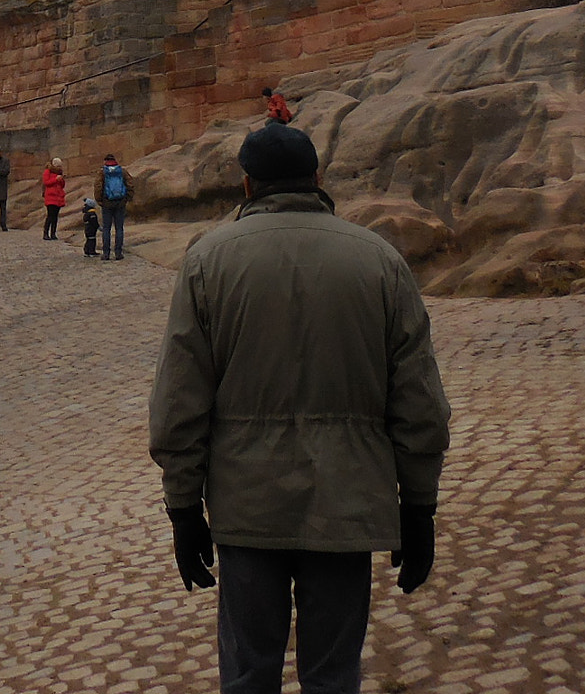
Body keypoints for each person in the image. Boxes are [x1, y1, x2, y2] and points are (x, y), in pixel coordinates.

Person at [150, 123, 451, 694]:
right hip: (347, 500)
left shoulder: (207, 262)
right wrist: (418, 507)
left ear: (246, 186)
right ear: (317, 179)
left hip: (247, 507)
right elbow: (420, 406)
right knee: (334, 675)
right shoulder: (379, 261)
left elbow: (178, 402)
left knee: (248, 675)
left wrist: (183, 509)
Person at [99, 155, 130, 261]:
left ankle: (106, 253)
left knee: (106, 229)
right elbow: (130, 184)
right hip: (120, 203)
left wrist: (100, 201)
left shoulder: (102, 172)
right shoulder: (122, 171)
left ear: (105, 161)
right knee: (119, 228)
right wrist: (126, 199)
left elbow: (98, 187)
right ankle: (118, 253)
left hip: (107, 203)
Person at [40, 158, 67, 240]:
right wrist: (55, 179)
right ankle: (45, 233)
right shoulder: (48, 171)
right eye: (58, 166)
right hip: (51, 196)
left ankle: (53, 233)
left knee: (55, 216)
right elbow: (46, 182)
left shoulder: (59, 173)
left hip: (58, 196)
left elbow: (62, 185)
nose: (59, 167)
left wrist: (61, 179)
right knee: (50, 215)